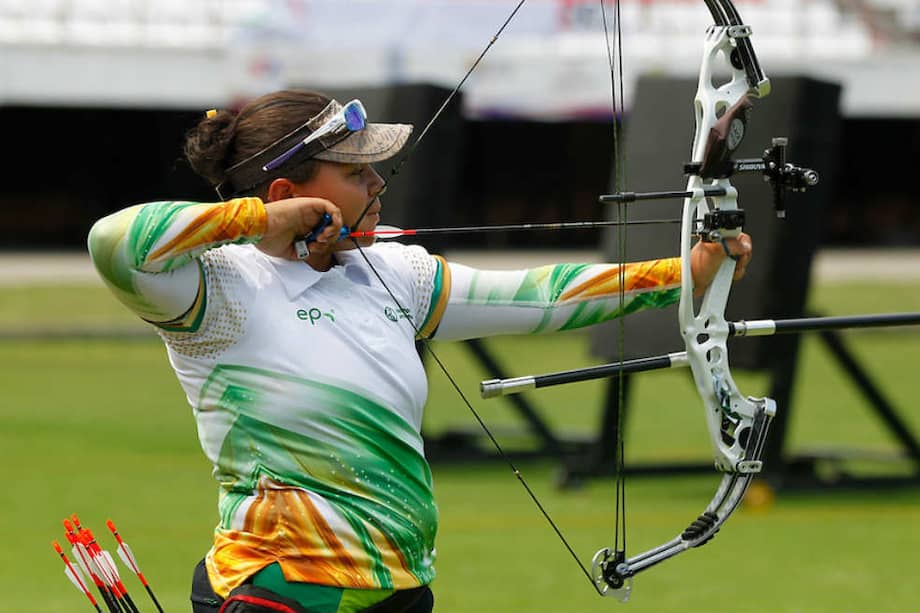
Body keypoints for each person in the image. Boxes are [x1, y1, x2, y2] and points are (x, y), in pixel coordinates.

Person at [87, 89, 752, 613]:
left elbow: (542, 296)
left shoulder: (393, 272)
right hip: (283, 591)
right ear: (291, 193)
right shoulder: (215, 291)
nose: (378, 184)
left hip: (399, 589)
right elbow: (113, 241)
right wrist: (260, 219)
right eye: (356, 171)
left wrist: (686, 273)